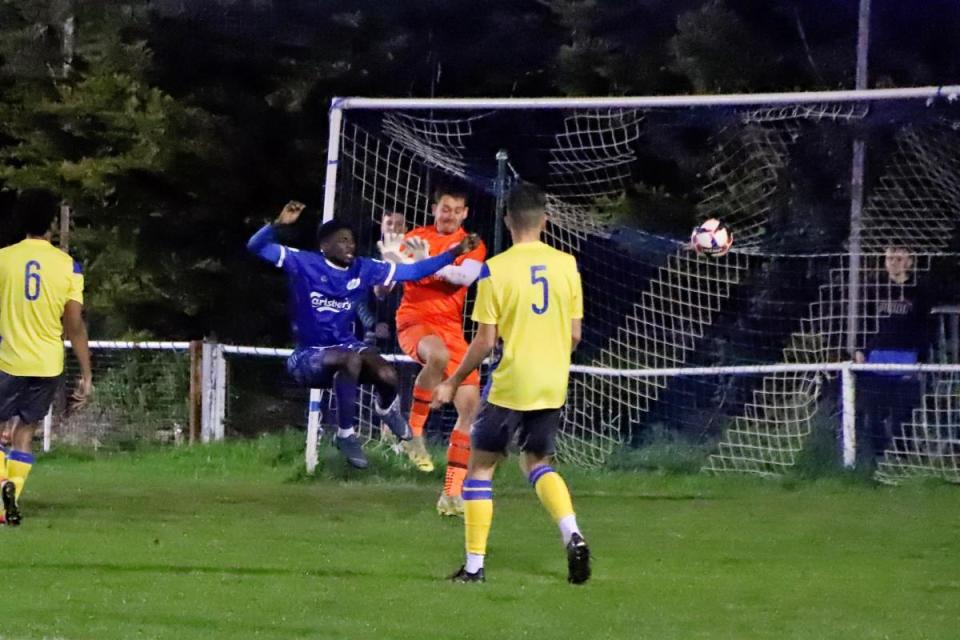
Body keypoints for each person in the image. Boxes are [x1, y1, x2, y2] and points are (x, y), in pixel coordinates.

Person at [432, 182, 590, 584]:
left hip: (511, 381)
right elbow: (575, 336)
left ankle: (473, 567)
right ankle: (572, 533)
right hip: (553, 380)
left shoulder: (496, 269)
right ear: (546, 221)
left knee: (481, 469)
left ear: (507, 221)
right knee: (537, 462)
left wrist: (453, 380)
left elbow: (485, 341)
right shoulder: (567, 265)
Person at [246, 201, 480, 470]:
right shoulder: (304, 262)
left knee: (387, 374)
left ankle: (387, 409)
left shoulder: (363, 268)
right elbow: (256, 247)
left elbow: (414, 271)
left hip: (346, 347)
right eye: (342, 241)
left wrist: (455, 253)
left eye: (352, 241)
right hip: (308, 356)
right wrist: (277, 225)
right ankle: (345, 434)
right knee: (350, 360)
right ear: (325, 246)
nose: (350, 246)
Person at [378, 188, 487, 517]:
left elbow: (463, 276)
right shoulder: (413, 238)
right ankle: (413, 431)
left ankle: (451, 494)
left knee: (471, 409)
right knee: (436, 356)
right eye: (444, 208)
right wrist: (389, 245)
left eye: (456, 210)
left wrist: (425, 264)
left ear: (464, 214)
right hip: (415, 321)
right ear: (434, 209)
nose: (449, 214)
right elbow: (383, 288)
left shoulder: (472, 245)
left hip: (452, 329)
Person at [0, 189, 93, 526]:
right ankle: (10, 497)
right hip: (48, 363)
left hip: (8, 359)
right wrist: (85, 373)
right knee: (25, 433)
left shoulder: (3, 259)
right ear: (51, 225)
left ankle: (1, 487)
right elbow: (74, 324)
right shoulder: (69, 266)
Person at [854, 246, 933, 457]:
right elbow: (864, 321)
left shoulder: (919, 291)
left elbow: (925, 325)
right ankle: (875, 456)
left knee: (902, 412)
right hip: (877, 355)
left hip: (906, 356)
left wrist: (921, 355)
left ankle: (903, 457)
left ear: (910, 262)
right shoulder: (874, 288)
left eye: (898, 258)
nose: (893, 263)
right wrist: (861, 349)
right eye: (889, 258)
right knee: (873, 410)